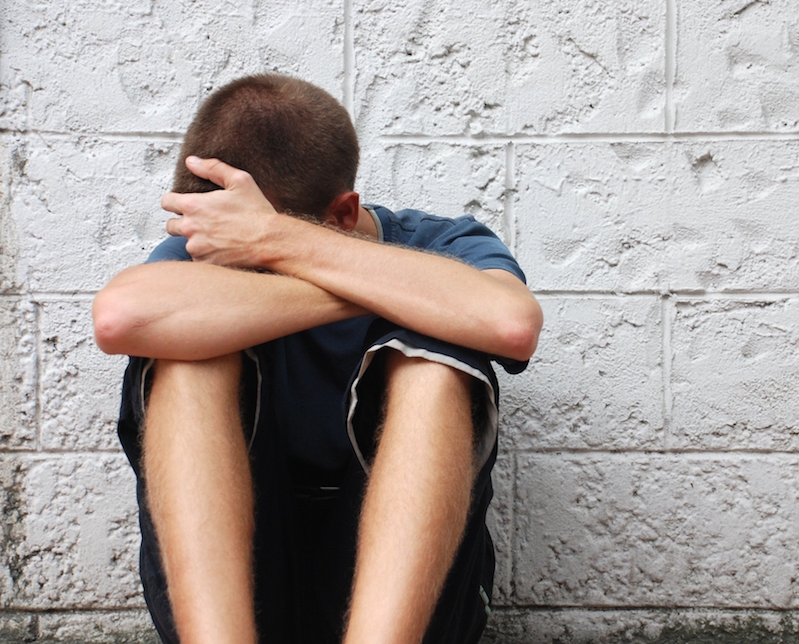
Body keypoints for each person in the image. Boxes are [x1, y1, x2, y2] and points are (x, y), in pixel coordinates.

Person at [92, 74, 542, 644]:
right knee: (184, 356)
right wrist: (404, 292)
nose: (244, 262)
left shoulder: (445, 240)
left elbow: (511, 323)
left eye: (259, 246)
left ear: (344, 214)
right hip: (240, 583)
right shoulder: (217, 240)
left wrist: (276, 240)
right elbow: (121, 318)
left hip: (410, 605)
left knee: (435, 361)